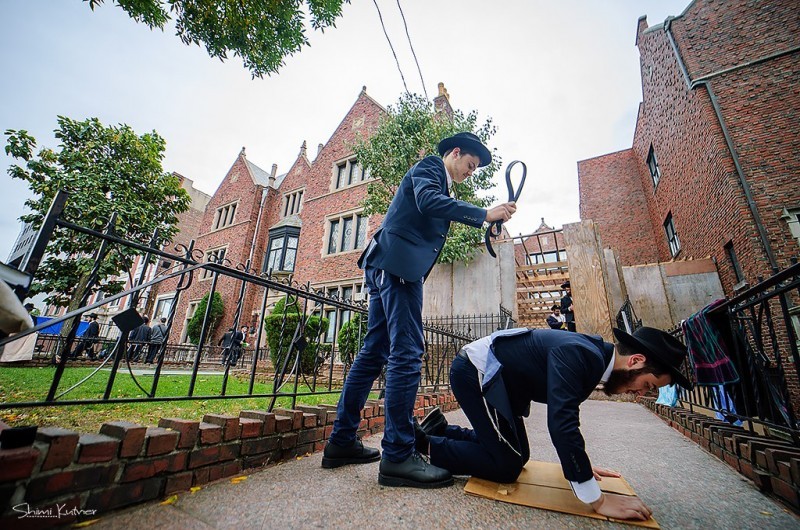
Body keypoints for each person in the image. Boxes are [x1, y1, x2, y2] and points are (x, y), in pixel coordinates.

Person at [321, 132, 517, 489]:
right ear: (455, 153)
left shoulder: (445, 185)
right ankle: (397, 455)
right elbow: (428, 202)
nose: (470, 173)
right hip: (398, 267)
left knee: (373, 353)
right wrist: (484, 213)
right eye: (470, 165)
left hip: (387, 264)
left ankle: (341, 442)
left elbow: (433, 209)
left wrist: (489, 220)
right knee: (408, 353)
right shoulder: (430, 167)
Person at [413, 326, 692, 521]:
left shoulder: (593, 357)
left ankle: (441, 429)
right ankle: (421, 443)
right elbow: (562, 422)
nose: (642, 393)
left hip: (498, 382)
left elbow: (567, 419)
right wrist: (598, 499)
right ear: (636, 361)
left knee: (519, 456)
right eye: (648, 384)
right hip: (476, 372)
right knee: (505, 466)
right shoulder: (582, 354)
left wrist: (578, 464)